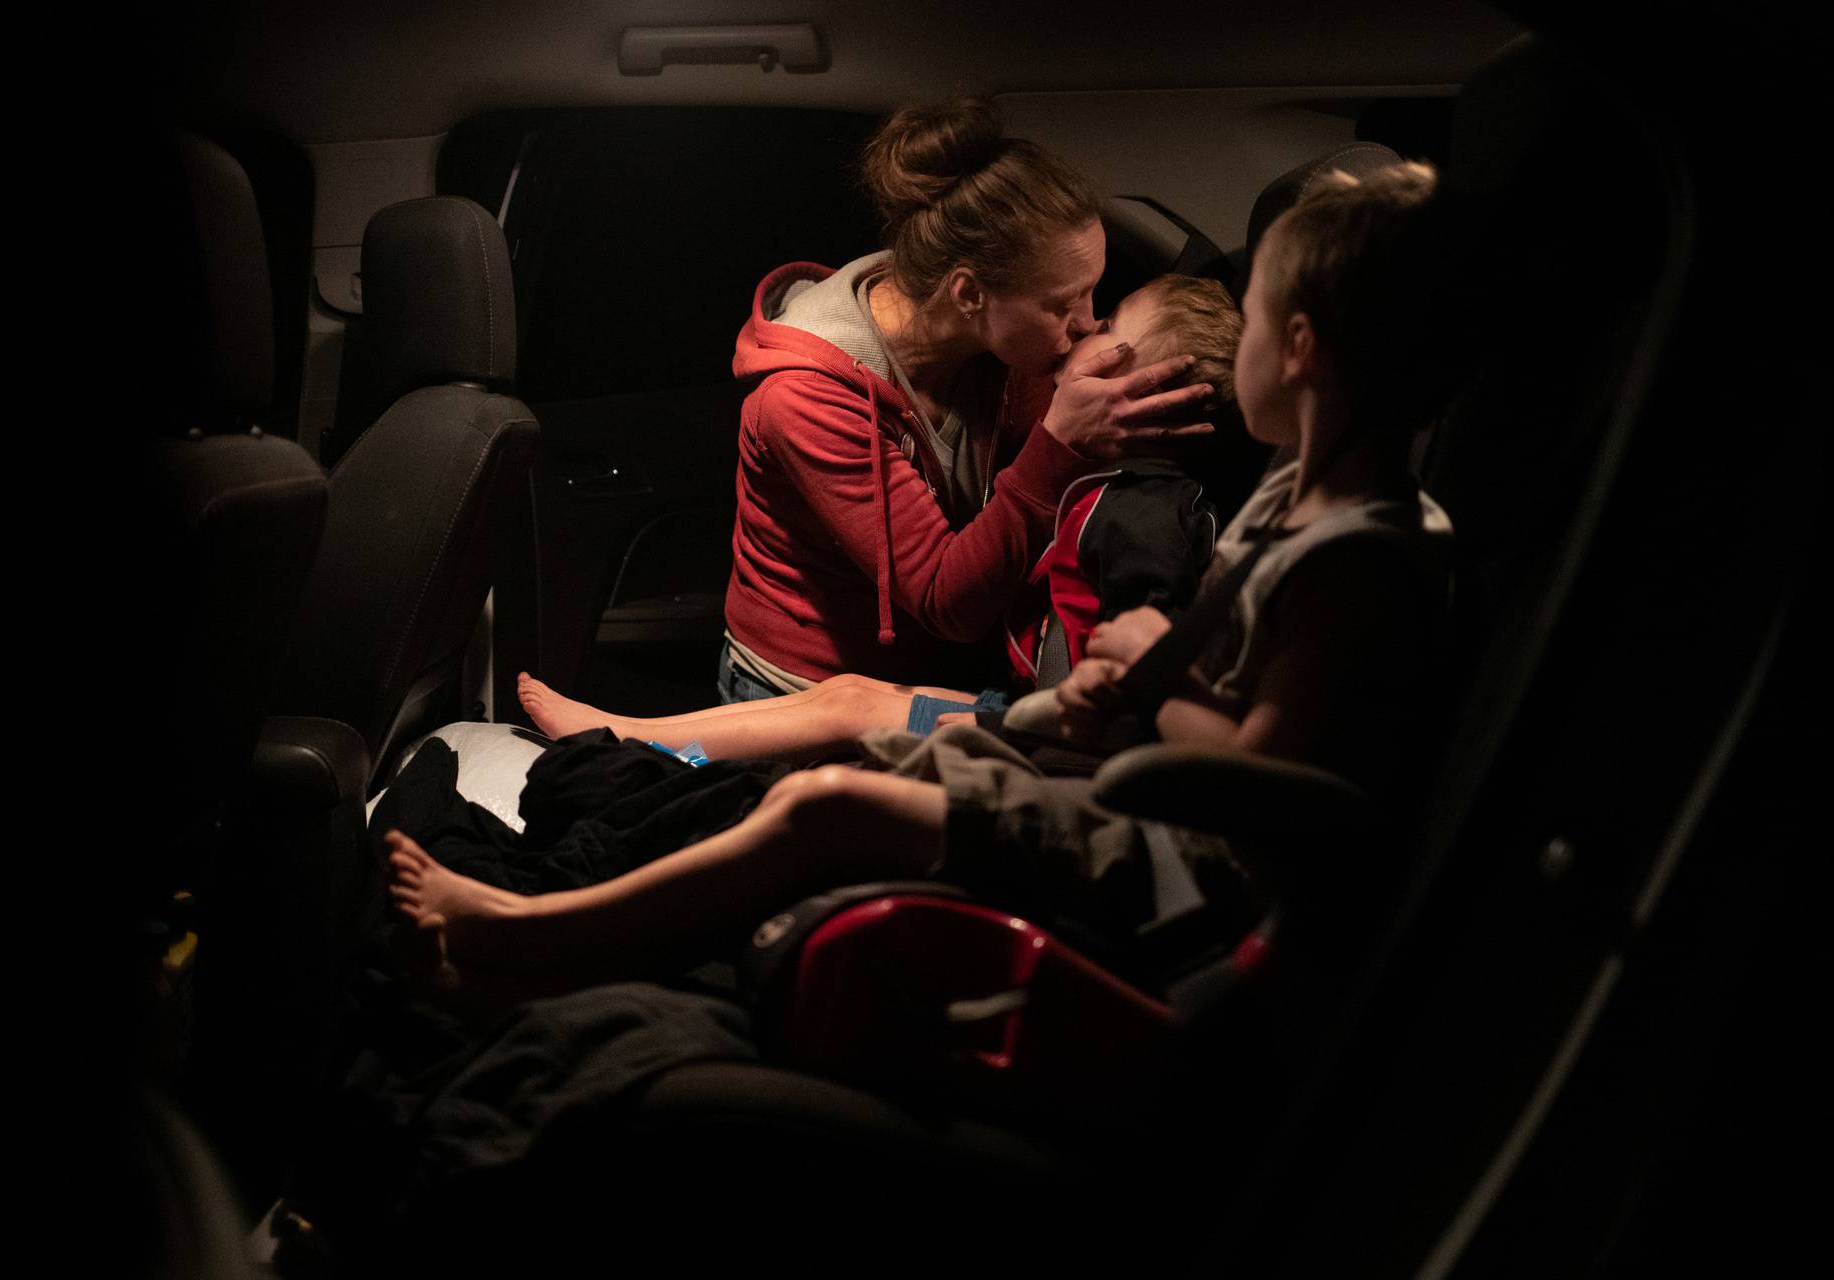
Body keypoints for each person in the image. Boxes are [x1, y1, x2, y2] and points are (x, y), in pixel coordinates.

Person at [389, 161, 1464, 993]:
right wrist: (1126, 688)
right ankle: (615, 793)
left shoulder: (1356, 556)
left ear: (1305, 348)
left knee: (825, 803)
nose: (1088, 328)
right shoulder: (1288, 500)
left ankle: (526, 935)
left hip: (1166, 848)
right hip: (1112, 759)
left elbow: (1265, 783)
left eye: (1255, 318)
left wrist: (1149, 678)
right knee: (841, 762)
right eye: (1072, 303)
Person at [514, 273, 1250, 761]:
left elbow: (1138, 670)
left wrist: (1063, 713)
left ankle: (623, 739)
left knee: (848, 707)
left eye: (1108, 322)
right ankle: (627, 732)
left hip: (1060, 736)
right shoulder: (1097, 476)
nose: (1084, 326)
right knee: (845, 693)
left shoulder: (1140, 514)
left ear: (1144, 388)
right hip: (1034, 711)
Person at [718, 97, 1216, 703]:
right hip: (800, 690)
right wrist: (1059, 445)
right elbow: (945, 599)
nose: (1086, 324)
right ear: (969, 294)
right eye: (1062, 304)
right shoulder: (804, 398)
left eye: (1093, 295)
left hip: (925, 681)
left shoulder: (1008, 346)